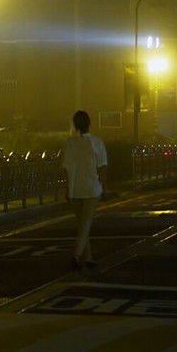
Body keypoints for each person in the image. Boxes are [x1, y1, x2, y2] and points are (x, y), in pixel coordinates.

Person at [62, 110, 108, 271]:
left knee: (82, 224)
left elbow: (67, 168)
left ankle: (88, 258)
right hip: (92, 188)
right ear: (89, 123)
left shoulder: (70, 143)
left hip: (75, 189)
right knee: (86, 224)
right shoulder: (97, 142)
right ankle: (76, 255)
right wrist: (105, 187)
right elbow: (102, 167)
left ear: (75, 125)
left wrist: (67, 187)